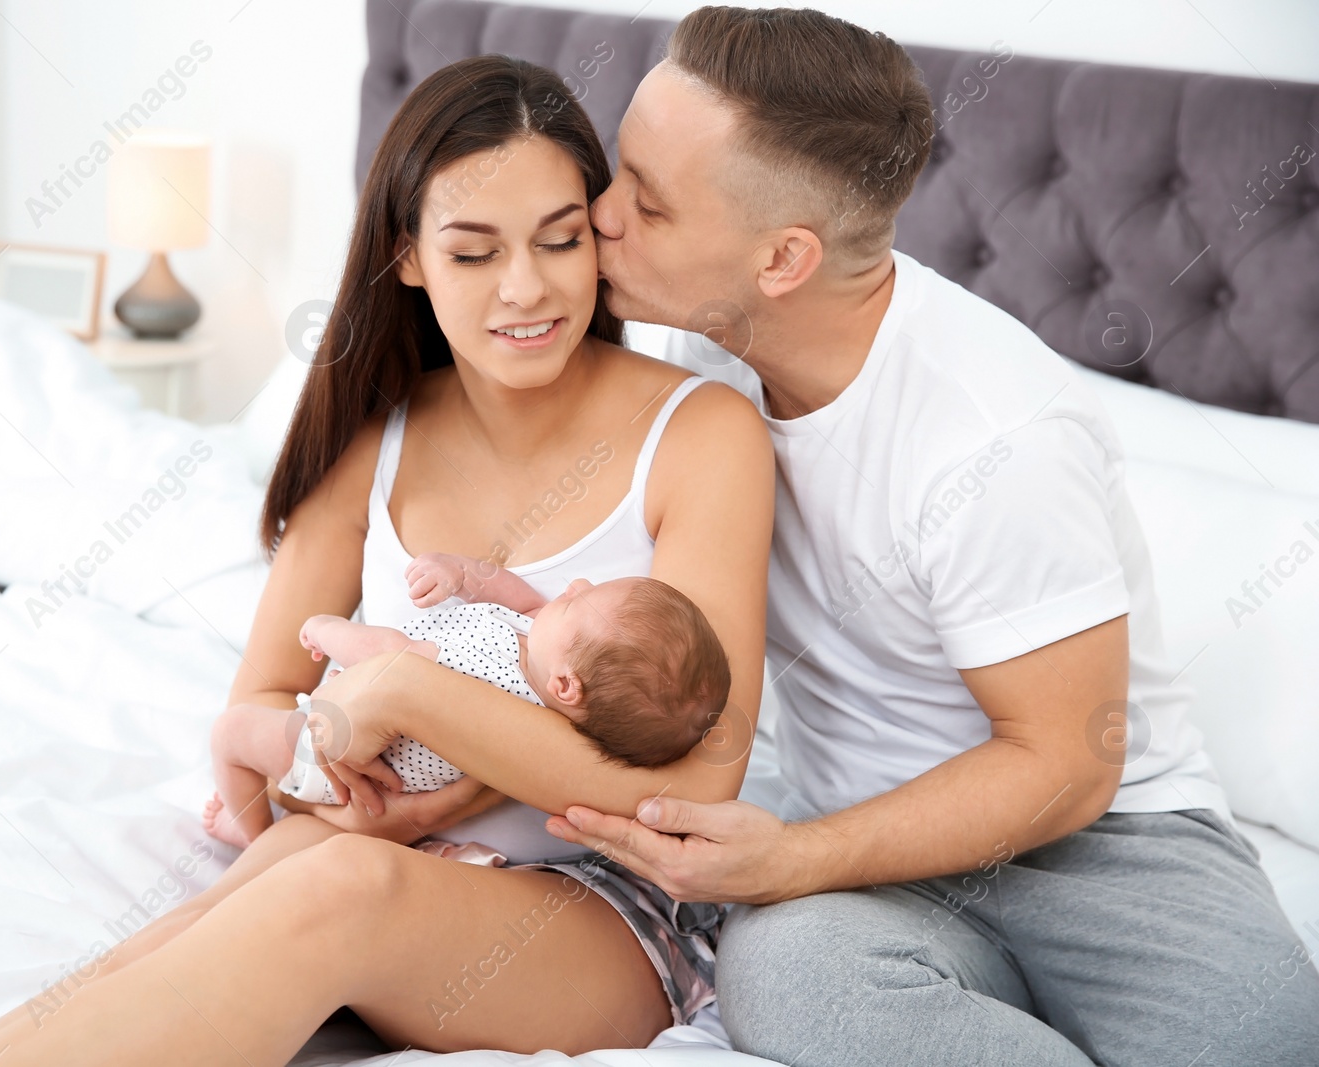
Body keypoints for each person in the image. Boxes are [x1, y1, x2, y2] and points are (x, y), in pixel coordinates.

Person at [0, 50, 773, 1067]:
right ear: (408, 257)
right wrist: (341, 774)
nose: (526, 288)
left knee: (335, 884)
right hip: (371, 855)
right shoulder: (373, 434)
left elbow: (697, 772)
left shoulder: (700, 432)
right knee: (170, 939)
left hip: (597, 906)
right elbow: (263, 721)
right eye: (473, 252)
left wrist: (412, 695)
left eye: (559, 240)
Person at [539, 7, 1319, 1066]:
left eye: (649, 200)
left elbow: (1061, 765)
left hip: (1103, 844)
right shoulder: (701, 354)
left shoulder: (992, 440)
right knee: (790, 979)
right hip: (875, 870)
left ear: (783, 258)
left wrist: (792, 857)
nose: (601, 214)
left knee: (1266, 1041)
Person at [202, 564, 729, 848]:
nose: (574, 584)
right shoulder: (545, 693)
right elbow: (520, 601)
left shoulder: (489, 665)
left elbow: (388, 661)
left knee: (230, 734)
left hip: (332, 753)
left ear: (569, 685)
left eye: (572, 602)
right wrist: (464, 577)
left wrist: (328, 629)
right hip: (385, 771)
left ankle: (247, 831)